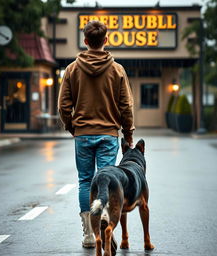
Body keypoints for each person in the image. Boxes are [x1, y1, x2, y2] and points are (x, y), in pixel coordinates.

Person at [57, 20, 134, 248]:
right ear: (106, 40)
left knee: (84, 181)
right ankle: (104, 216)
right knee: (106, 180)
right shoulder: (117, 70)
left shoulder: (72, 69)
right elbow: (126, 106)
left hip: (83, 134)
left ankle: (89, 234)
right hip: (109, 135)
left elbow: (63, 105)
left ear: (86, 41)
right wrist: (128, 133)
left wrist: (72, 127)